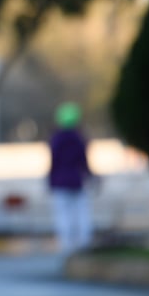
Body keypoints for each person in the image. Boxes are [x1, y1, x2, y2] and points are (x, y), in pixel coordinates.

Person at [48, 101, 95, 256]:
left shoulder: (56, 140)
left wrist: (50, 180)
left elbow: (53, 162)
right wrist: (92, 176)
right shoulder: (80, 139)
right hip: (77, 181)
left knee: (63, 214)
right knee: (81, 212)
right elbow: (84, 162)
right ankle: (84, 241)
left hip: (60, 181)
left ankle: (66, 243)